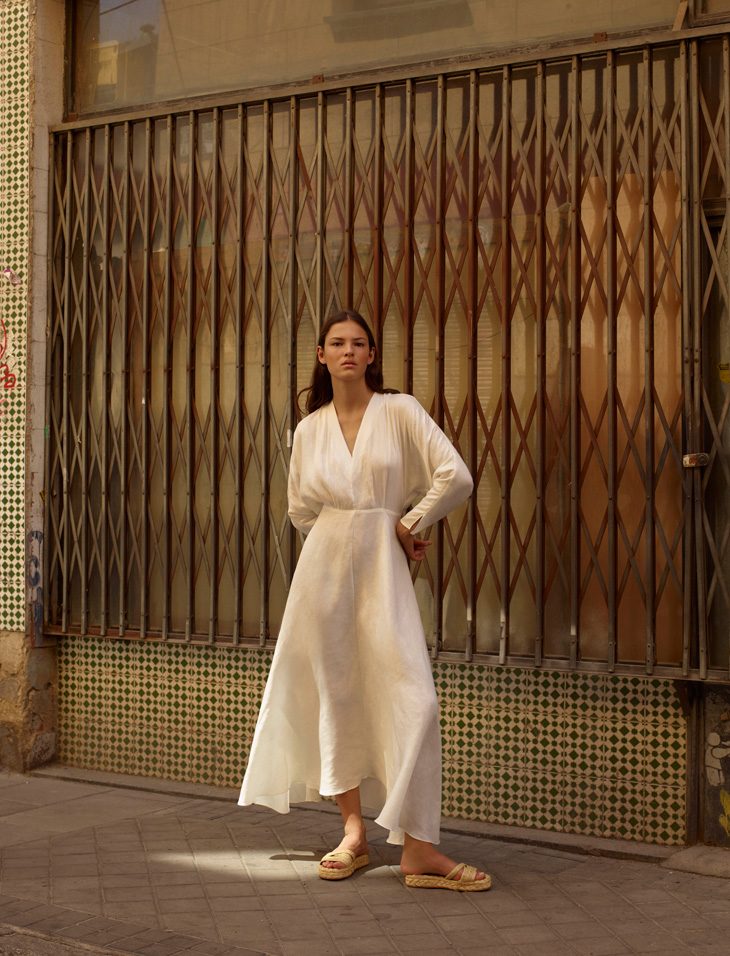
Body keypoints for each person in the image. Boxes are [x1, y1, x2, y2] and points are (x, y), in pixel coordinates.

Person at [238, 309, 490, 892]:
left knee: (415, 699)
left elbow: (455, 475)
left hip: (382, 568)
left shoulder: (400, 411)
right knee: (338, 695)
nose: (348, 351)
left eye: (358, 343)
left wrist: (404, 523)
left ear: (372, 354)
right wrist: (344, 538)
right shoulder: (309, 429)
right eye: (337, 343)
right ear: (322, 356)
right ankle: (353, 833)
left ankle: (419, 847)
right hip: (323, 574)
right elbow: (300, 509)